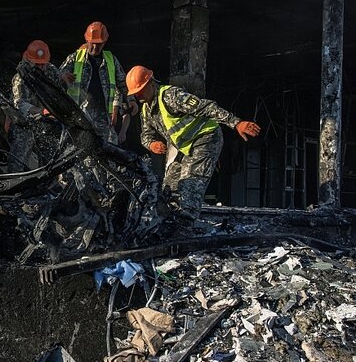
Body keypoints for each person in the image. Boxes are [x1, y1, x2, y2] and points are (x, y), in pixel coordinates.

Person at [126, 65, 261, 224]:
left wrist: (236, 123)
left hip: (205, 139)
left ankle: (186, 226)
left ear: (150, 83)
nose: (138, 96)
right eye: (136, 94)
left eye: (140, 91)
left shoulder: (171, 96)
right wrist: (152, 144)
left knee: (188, 189)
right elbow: (145, 135)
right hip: (184, 148)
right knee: (169, 192)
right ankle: (170, 225)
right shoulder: (146, 111)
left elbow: (206, 107)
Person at [58, 21, 136, 144]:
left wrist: (131, 99)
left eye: (99, 44)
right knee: (76, 149)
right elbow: (57, 77)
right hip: (79, 114)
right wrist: (63, 76)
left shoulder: (111, 60)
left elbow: (122, 83)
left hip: (102, 117)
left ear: (104, 42)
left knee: (103, 151)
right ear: (87, 40)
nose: (95, 47)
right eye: (92, 43)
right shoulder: (75, 58)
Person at [8, 40, 63, 171]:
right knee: (18, 163)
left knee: (51, 163)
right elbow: (19, 104)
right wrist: (42, 111)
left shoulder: (50, 70)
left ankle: (47, 189)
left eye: (44, 64)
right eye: (38, 65)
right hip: (24, 126)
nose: (42, 67)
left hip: (45, 125)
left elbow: (59, 88)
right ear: (30, 61)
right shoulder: (20, 78)